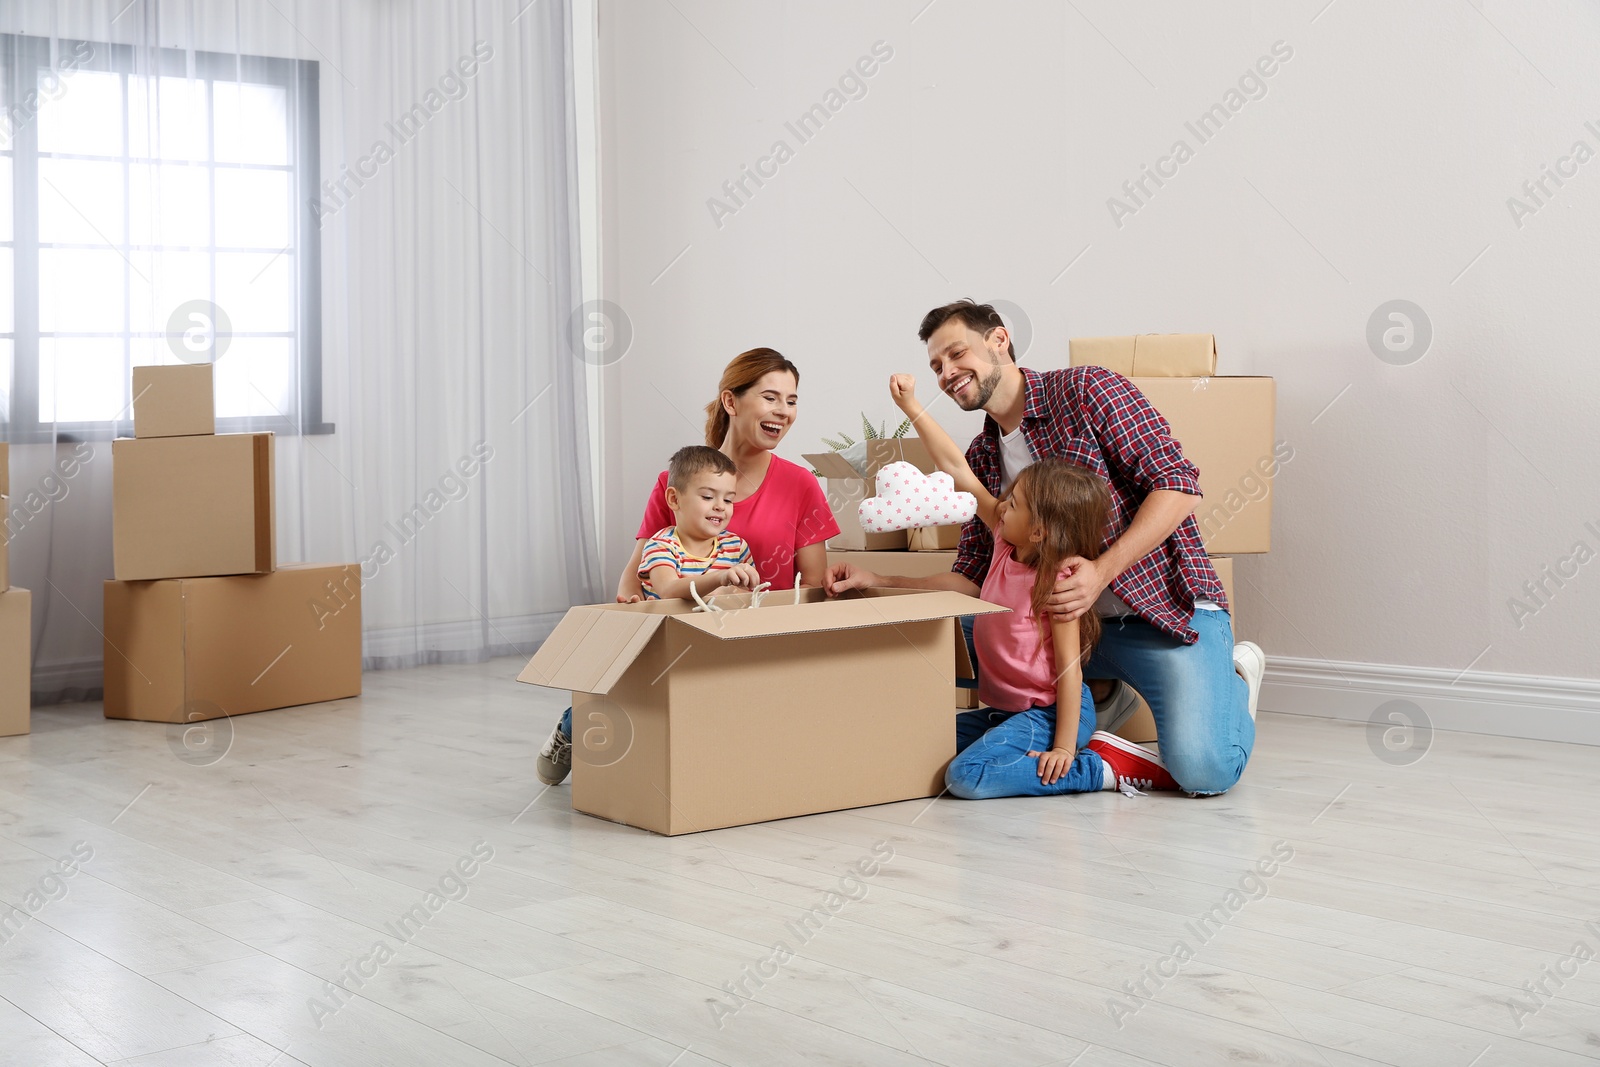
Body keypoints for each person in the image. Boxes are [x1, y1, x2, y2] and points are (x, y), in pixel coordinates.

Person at [827, 301, 1264, 796]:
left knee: (1203, 773)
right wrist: (879, 581)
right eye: (936, 366)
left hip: (1161, 616)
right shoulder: (984, 457)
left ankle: (1233, 683)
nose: (947, 373)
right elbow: (971, 577)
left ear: (999, 340)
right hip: (1072, 635)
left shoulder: (1086, 391)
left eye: (956, 353)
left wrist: (1100, 572)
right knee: (954, 624)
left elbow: (1178, 485)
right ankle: (1089, 702)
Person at [537, 348, 839, 786]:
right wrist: (633, 603)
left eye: (791, 401)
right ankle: (576, 721)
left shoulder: (801, 484)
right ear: (732, 402)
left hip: (760, 634)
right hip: (684, 630)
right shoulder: (676, 482)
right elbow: (638, 565)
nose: (784, 411)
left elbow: (810, 583)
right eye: (771, 397)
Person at [885, 374, 1181, 797]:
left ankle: (1098, 768)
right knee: (915, 744)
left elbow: (1068, 671)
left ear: (1039, 531)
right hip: (1004, 712)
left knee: (967, 777)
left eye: (1014, 503)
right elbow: (958, 471)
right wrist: (912, 407)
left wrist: (1062, 746)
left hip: (1048, 714)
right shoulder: (1006, 543)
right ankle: (1036, 749)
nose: (1001, 505)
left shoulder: (1057, 583)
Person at [636, 446, 762, 601]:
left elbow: (751, 598)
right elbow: (669, 590)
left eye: (728, 500)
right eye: (708, 497)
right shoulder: (660, 545)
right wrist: (719, 579)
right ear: (674, 499)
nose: (720, 506)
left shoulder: (737, 546)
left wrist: (730, 592)